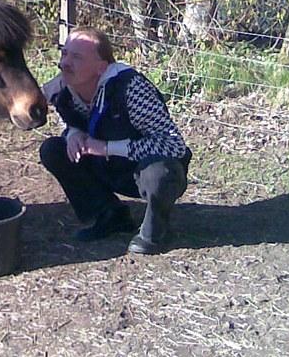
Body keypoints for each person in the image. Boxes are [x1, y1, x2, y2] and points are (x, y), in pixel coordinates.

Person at [39, 27, 191, 254]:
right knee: (53, 150)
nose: (64, 63)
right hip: (105, 165)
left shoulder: (130, 88)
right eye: (64, 54)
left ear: (102, 67)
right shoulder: (61, 87)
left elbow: (173, 145)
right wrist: (72, 133)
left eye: (77, 57)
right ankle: (109, 214)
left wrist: (107, 148)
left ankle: (156, 231)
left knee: (162, 172)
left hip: (139, 172)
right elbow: (66, 119)